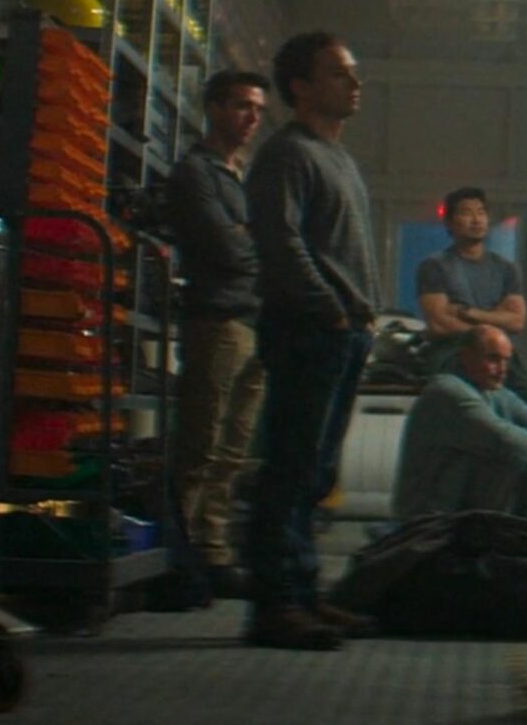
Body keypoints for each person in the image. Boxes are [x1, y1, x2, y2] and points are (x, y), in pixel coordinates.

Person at [244, 32, 381, 651]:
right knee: (291, 466)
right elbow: (280, 242)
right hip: (309, 330)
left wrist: (360, 319)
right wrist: (328, 309)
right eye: (338, 73)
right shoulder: (287, 155)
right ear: (300, 87)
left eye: (353, 73)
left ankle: (302, 593)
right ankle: (274, 605)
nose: (354, 84)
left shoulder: (338, 158)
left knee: (315, 471)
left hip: (341, 332)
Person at [165, 68, 271, 599]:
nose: (252, 118)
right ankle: (178, 558)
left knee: (233, 449)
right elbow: (226, 247)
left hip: (252, 320)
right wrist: (257, 242)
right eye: (241, 106)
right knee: (201, 446)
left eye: (258, 110)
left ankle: (213, 549)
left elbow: (259, 242)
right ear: (213, 107)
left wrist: (252, 239)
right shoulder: (195, 173)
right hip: (216, 321)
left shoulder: (241, 175)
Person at [393, 326, 527, 522]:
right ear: (466, 357)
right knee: (524, 461)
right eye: (493, 359)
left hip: (463, 514)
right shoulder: (447, 392)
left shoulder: (493, 391)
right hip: (430, 519)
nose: (502, 369)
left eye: (506, 360)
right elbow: (503, 438)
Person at [417, 186, 527, 398]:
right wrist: (494, 321)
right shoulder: (434, 266)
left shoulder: (506, 268)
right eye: (466, 213)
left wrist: (468, 313)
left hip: (499, 353)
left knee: (522, 395)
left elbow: (517, 321)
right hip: (452, 353)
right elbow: (439, 324)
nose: (476, 220)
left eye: (481, 212)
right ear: (450, 222)